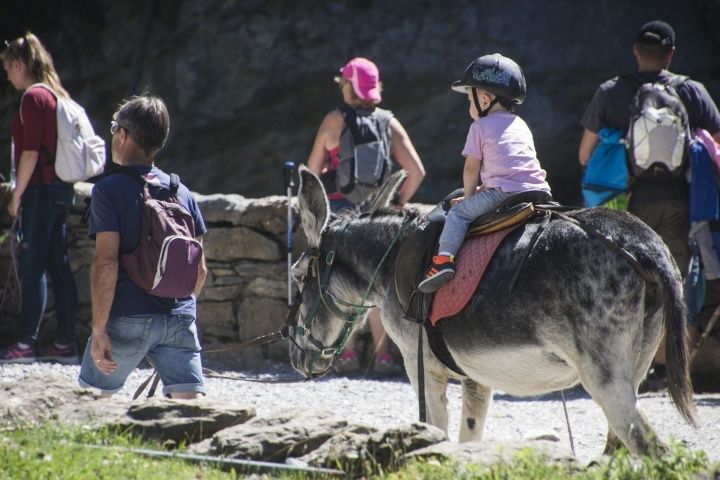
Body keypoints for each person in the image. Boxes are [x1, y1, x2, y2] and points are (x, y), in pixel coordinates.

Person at [578, 20, 720, 386]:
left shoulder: (610, 92)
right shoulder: (692, 92)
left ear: (635, 51)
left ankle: (625, 370)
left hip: (628, 203)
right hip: (680, 202)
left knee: (628, 280)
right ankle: (671, 370)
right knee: (679, 283)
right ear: (671, 53)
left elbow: (584, 156)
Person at [78, 96, 208, 398]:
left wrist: (99, 331)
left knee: (90, 403)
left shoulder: (108, 190)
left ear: (123, 134)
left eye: (113, 128)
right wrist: (180, 317)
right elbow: (199, 270)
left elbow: (106, 265)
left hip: (128, 317)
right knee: (190, 415)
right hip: (179, 316)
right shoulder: (182, 192)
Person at [307, 57, 426, 373]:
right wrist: (394, 203)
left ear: (349, 86)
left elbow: (312, 172)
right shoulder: (389, 122)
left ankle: (343, 354)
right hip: (375, 217)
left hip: (339, 214)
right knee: (377, 285)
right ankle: (383, 355)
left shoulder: (334, 120)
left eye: (343, 83)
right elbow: (416, 171)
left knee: (343, 283)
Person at [418, 53, 551, 293]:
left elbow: (471, 169)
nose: (470, 107)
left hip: (504, 193)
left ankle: (443, 262)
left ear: (486, 99)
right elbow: (509, 169)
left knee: (458, 214)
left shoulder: (479, 126)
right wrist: (482, 191)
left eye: (470, 99)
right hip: (539, 190)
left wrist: (469, 198)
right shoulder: (521, 124)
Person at [0, 32, 79, 363]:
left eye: (7, 69)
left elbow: (30, 153)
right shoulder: (55, 93)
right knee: (58, 266)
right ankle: (65, 343)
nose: (6, 75)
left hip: (40, 192)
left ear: (18, 64)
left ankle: (25, 345)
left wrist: (15, 197)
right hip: (61, 190)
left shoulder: (33, 97)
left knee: (33, 268)